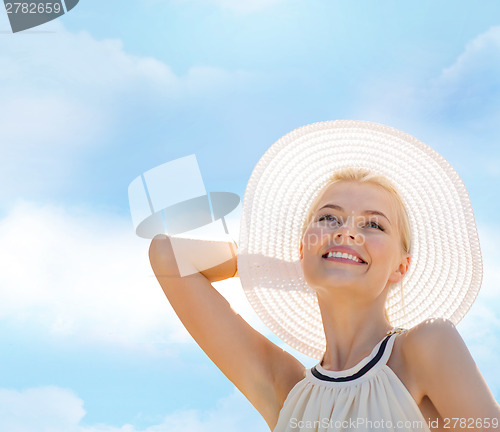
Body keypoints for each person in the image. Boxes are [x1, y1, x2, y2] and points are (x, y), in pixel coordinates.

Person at [149, 120, 500, 431]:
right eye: (329, 218)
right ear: (302, 247)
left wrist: (328, 256)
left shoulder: (427, 347)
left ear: (401, 267)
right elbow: (167, 255)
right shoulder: (286, 391)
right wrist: (285, 264)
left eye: (373, 224)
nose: (347, 231)